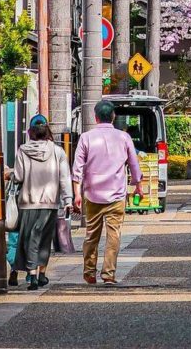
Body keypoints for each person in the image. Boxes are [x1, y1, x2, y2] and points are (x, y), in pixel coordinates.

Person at [72, 99, 144, 285]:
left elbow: (77, 168)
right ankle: (108, 274)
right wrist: (138, 185)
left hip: (92, 195)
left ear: (95, 117)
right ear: (113, 116)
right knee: (114, 235)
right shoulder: (124, 137)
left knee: (91, 234)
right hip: (116, 195)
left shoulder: (86, 138)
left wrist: (77, 194)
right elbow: (134, 164)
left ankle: (89, 272)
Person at [13, 114, 73, 291]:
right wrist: (68, 200)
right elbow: (64, 178)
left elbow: (18, 177)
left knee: (29, 238)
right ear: (47, 130)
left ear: (30, 132)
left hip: (28, 202)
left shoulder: (22, 150)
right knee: (44, 239)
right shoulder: (57, 151)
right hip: (50, 203)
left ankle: (31, 275)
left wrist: (10, 175)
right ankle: (42, 274)